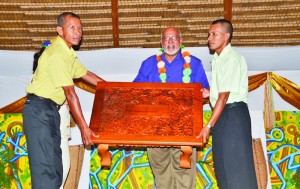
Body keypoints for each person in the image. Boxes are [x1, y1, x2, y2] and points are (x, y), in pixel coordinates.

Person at [22, 12, 105, 189]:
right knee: (46, 172)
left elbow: (86, 75)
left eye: (80, 28)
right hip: (39, 110)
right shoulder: (57, 53)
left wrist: (113, 88)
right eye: (72, 28)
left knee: (56, 170)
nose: (78, 32)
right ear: (60, 30)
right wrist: (84, 128)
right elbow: (71, 93)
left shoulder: (68, 54)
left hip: (50, 111)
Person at [133, 26, 209, 189]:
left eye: (174, 38)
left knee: (185, 172)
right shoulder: (149, 63)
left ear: (181, 41)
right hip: (155, 128)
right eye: (166, 38)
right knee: (161, 174)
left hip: (186, 127)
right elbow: (135, 93)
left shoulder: (194, 63)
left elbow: (205, 92)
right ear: (161, 43)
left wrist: (205, 93)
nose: (170, 42)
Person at [197, 19, 258, 189]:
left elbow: (224, 98)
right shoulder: (218, 59)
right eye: (209, 34)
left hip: (233, 115)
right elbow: (221, 93)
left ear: (226, 36)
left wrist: (208, 126)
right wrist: (210, 93)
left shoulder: (231, 58)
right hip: (225, 115)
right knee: (224, 169)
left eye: (214, 34)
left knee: (237, 170)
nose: (209, 37)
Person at [32, 39, 72, 189]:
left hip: (62, 134)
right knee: (53, 174)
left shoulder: (59, 77)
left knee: (62, 171)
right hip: (50, 132)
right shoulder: (39, 82)